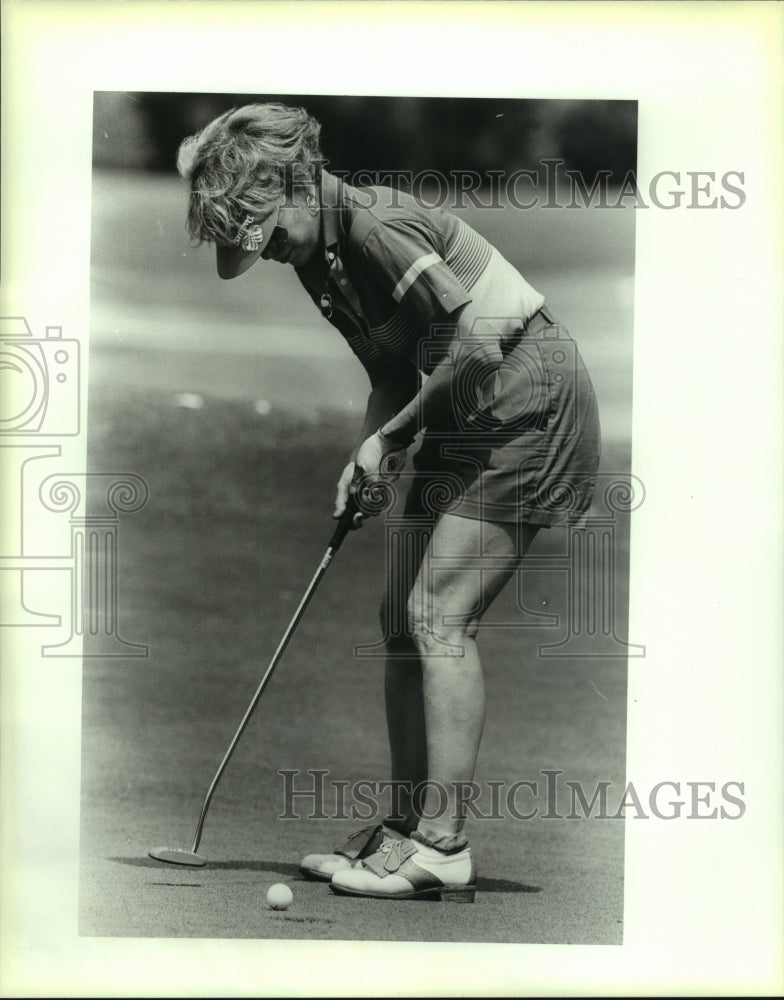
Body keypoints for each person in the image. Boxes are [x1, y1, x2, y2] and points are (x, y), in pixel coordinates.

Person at [177, 102, 601, 902]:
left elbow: (475, 343)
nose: (264, 256)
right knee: (398, 620)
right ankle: (405, 831)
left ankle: (442, 846)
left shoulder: (373, 227)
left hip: (527, 400)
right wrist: (368, 449)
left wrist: (390, 439)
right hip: (467, 404)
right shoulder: (315, 255)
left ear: (295, 184)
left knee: (440, 615)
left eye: (264, 234)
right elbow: (393, 373)